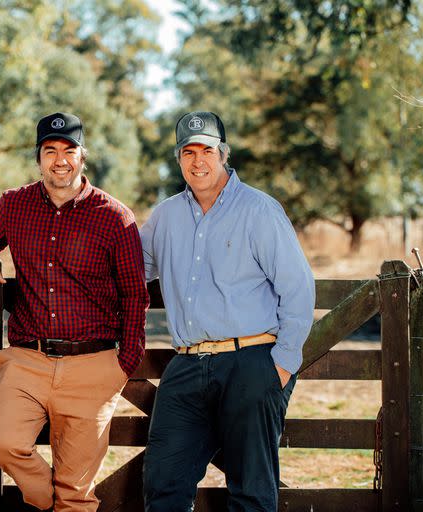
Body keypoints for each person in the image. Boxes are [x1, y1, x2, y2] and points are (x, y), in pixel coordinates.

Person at [0, 112, 149, 511]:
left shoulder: (115, 217)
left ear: (83, 157)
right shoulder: (14, 204)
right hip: (27, 361)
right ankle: (44, 496)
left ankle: (63, 499)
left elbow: (135, 294)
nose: (60, 160)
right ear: (39, 158)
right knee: (0, 444)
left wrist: (125, 362)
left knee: (77, 496)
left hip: (92, 366)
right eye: (50, 151)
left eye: (69, 151)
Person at [140, 111, 315, 511]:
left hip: (251, 362)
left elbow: (298, 289)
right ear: (178, 157)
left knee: (251, 491)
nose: (198, 160)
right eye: (188, 151)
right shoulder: (165, 216)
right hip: (185, 366)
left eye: (206, 150)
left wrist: (281, 367)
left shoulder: (259, 210)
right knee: (163, 482)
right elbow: (128, 268)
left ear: (223, 153)